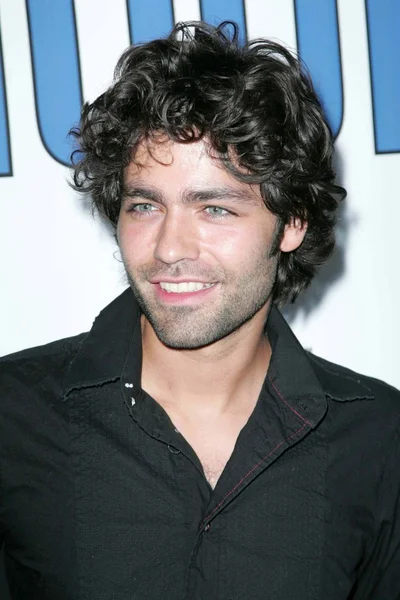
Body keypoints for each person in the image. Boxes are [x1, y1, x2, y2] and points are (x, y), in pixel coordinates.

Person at [0, 20, 399, 600]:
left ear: (292, 223)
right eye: (143, 206)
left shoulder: (379, 439)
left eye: (213, 209)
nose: (167, 248)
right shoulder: (13, 415)